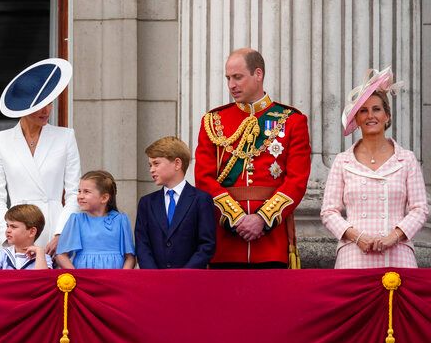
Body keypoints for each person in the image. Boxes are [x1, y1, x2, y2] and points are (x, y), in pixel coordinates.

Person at [194, 48, 312, 268]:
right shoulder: (213, 121)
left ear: (258, 74)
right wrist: (236, 218)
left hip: (271, 241)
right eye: (228, 78)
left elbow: (296, 181)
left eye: (238, 77)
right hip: (226, 241)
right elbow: (204, 178)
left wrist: (262, 219)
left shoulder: (292, 121)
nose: (231, 85)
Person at [321, 68, 428, 268]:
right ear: (357, 120)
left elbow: (420, 209)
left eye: (376, 109)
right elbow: (329, 211)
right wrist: (358, 237)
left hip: (398, 255)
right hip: (353, 255)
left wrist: (393, 237)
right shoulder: (343, 161)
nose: (370, 115)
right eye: (364, 110)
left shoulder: (406, 159)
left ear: (387, 116)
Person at [0, 58, 81, 255]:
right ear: (24, 106)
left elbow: (74, 192)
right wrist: (8, 236)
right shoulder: (0, 141)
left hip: (55, 230)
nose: (46, 110)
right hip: (17, 230)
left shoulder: (65, 137)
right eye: (39, 105)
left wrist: (61, 233)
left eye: (50, 103)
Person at [135, 136, 215, 269]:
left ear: (177, 164)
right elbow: (142, 244)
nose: (151, 170)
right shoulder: (146, 203)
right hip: (155, 281)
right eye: (150, 165)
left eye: (156, 163)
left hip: (189, 281)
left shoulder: (201, 199)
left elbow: (207, 245)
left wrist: (183, 275)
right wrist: (153, 275)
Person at [55, 170, 135, 269]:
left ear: (104, 198)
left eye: (86, 192)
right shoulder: (76, 220)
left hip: (114, 279)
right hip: (85, 279)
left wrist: (121, 278)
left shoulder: (121, 220)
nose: (80, 196)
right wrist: (77, 277)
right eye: (79, 191)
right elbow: (61, 255)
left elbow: (130, 257)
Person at [0, 204, 52, 270]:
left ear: (32, 232)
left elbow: (42, 279)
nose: (8, 230)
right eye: (7, 226)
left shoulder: (43, 257)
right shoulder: (3, 254)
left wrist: (39, 252)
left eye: (13, 227)